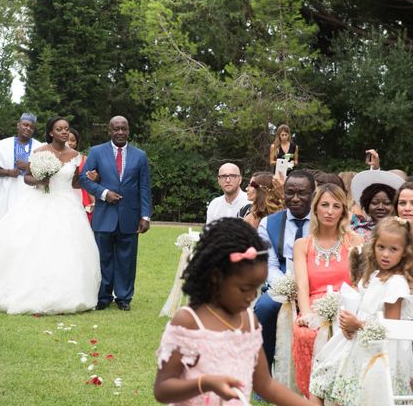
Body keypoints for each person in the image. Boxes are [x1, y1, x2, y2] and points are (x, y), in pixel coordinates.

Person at [153, 218, 311, 406]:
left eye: (256, 288)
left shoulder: (249, 323)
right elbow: (162, 389)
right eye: (244, 289)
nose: (251, 296)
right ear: (216, 277)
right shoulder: (189, 321)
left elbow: (266, 385)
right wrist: (205, 383)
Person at [0, 117, 101, 314]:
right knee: (32, 244)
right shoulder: (40, 152)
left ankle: (68, 293)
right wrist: (40, 180)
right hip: (39, 201)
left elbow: (76, 183)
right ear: (51, 132)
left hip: (67, 204)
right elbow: (27, 178)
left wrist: (91, 178)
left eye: (66, 129)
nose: (64, 132)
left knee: (66, 249)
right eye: (59, 129)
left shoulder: (76, 155)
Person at [309, 216, 413, 404]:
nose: (386, 254)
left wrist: (357, 324)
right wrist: (350, 321)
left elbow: (389, 330)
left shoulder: (395, 283)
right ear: (373, 246)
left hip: (378, 352)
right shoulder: (375, 275)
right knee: (321, 378)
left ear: (404, 253)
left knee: (332, 384)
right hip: (359, 342)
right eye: (381, 247)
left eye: (393, 249)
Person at [291, 183, 363, 396]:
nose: (330, 211)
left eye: (336, 206)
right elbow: (302, 285)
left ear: (343, 210)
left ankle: (343, 394)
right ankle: (312, 395)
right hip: (314, 306)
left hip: (348, 305)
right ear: (315, 209)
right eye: (324, 205)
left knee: (348, 332)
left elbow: (360, 283)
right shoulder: (303, 245)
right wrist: (305, 315)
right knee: (305, 333)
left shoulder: (355, 241)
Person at [80, 115, 151, 311]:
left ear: (128, 130)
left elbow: (144, 187)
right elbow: (84, 179)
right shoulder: (96, 152)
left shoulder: (140, 155)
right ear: (109, 131)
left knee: (126, 259)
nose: (120, 132)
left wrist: (145, 216)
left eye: (123, 128)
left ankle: (124, 297)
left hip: (130, 216)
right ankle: (103, 296)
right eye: (116, 129)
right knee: (103, 258)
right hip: (104, 215)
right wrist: (103, 193)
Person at [254, 169, 315, 371]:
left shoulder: (323, 220)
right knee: (265, 307)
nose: (295, 198)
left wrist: (305, 290)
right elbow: (269, 264)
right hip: (281, 281)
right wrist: (288, 288)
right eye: (290, 192)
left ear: (313, 195)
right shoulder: (268, 223)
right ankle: (264, 372)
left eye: (302, 193)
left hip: (316, 282)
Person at [0, 112, 42, 230]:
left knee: (26, 225)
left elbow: (43, 173)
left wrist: (28, 167)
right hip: (7, 191)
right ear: (18, 125)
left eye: (32, 127)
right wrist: (9, 172)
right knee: (5, 223)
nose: (28, 128)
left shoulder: (39, 148)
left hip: (30, 192)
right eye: (25, 125)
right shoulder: (2, 145)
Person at [349, 169, 403, 234]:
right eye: (374, 203)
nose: (380, 207)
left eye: (387, 203)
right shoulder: (354, 232)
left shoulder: (404, 232)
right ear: (367, 205)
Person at [68, 127, 96, 223]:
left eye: (73, 140)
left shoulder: (84, 159)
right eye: (67, 140)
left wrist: (94, 202)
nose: (70, 143)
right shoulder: (55, 158)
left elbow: (89, 182)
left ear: (77, 143)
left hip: (81, 196)